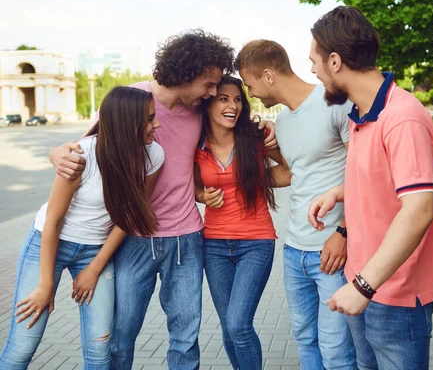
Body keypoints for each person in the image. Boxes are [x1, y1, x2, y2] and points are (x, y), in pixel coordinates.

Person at [49, 30, 276, 369]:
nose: (213, 93)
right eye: (209, 84)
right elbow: (87, 146)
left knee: (186, 338)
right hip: (133, 239)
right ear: (187, 74)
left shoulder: (199, 109)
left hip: (186, 239)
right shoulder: (132, 99)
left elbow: (222, 133)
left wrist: (263, 127)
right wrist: (55, 153)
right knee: (121, 334)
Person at [307, 6, 433, 370]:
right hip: (362, 283)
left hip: (393, 295)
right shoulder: (362, 115)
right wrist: (337, 192)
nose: (313, 71)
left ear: (335, 61)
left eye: (315, 61)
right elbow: (381, 181)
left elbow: (419, 210)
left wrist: (363, 286)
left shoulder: (403, 117)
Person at [0, 86, 164, 370]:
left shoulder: (153, 156)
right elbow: (52, 221)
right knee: (23, 346)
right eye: (150, 119)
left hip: (97, 250)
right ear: (128, 123)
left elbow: (129, 216)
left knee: (100, 348)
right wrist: (46, 286)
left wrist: (94, 268)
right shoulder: (82, 156)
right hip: (49, 243)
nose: (157, 124)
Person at [235, 40, 357, 369]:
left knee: (336, 348)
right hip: (294, 251)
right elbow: (290, 173)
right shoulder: (285, 123)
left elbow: (363, 174)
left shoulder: (336, 103)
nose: (251, 93)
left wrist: (344, 232)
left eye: (249, 84)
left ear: (268, 75)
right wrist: (241, 166)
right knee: (305, 338)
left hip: (331, 248)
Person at [194, 75, 290, 369]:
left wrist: (256, 179)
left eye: (237, 99)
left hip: (255, 242)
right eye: (223, 99)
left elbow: (288, 171)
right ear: (209, 103)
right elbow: (192, 186)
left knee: (238, 324)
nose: (232, 106)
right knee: (228, 327)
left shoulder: (256, 137)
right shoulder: (196, 144)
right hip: (214, 245)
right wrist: (202, 195)